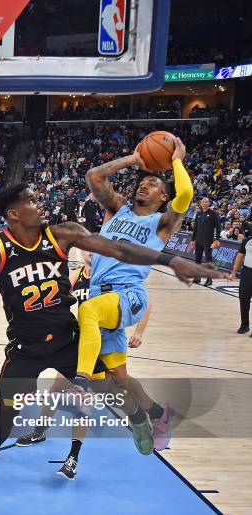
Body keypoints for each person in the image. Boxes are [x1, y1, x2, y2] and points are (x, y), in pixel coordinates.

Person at [0, 184, 226, 515]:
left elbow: (119, 248)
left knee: (112, 383)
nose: (39, 203)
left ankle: (141, 418)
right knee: (1, 427)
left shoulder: (63, 233)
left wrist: (170, 260)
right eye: (30, 201)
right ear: (14, 213)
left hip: (66, 339)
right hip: (25, 350)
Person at [72, 138, 194, 452]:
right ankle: (150, 414)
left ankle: (80, 382)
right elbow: (94, 178)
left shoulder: (162, 223)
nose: (145, 185)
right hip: (101, 294)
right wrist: (132, 159)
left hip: (128, 295)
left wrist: (176, 160)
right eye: (144, 182)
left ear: (163, 196)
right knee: (116, 380)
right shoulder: (119, 209)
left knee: (88, 312)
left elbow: (187, 194)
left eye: (153, 184)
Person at [16, 249, 155, 481]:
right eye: (87, 250)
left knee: (111, 392)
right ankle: (42, 433)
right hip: (83, 344)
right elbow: (60, 300)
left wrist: (140, 331)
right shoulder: (78, 274)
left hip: (108, 343)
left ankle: (134, 419)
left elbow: (144, 301)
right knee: (58, 391)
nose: (91, 253)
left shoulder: (111, 273)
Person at [189, 197, 221, 287]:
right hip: (199, 239)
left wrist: (217, 239)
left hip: (208, 240)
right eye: (203, 202)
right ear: (201, 203)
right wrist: (192, 240)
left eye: (206, 202)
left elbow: (218, 227)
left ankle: (209, 279)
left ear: (209, 203)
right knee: (197, 259)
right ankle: (197, 277)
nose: (204, 203)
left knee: (208, 260)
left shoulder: (214, 213)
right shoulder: (198, 214)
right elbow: (195, 228)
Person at [230, 233, 252, 334]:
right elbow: (239, 257)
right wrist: (233, 272)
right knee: (243, 298)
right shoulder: (247, 241)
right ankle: (244, 324)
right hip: (247, 272)